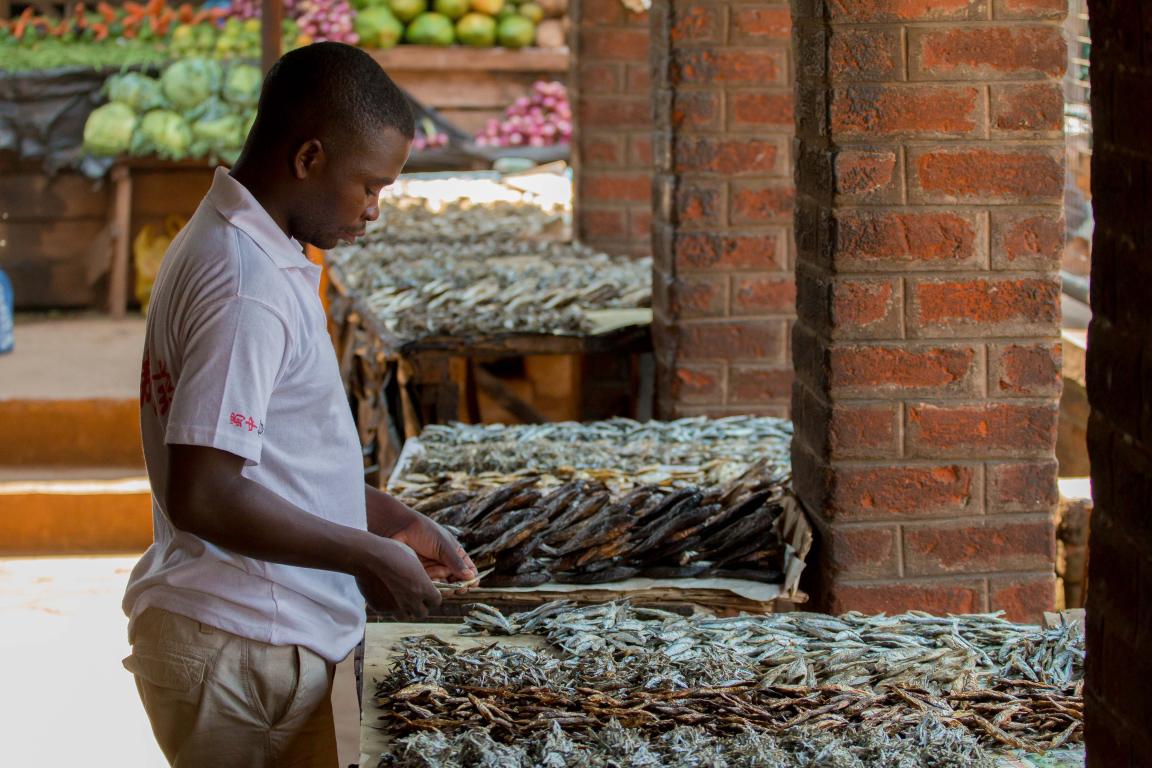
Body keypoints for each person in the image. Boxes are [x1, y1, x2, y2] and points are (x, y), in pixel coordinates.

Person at [122, 42, 476, 767]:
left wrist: (390, 519)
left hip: (255, 636)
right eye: (368, 187)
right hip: (247, 645)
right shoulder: (245, 284)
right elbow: (206, 492)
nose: (374, 211)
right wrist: (364, 556)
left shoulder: (247, 246)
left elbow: (270, 463)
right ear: (309, 158)